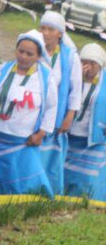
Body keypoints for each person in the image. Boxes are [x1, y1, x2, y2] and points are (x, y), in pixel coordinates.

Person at [0, 30, 57, 196]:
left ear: (39, 56)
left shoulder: (45, 78)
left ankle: (29, 211)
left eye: (29, 54)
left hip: (24, 141)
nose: (23, 56)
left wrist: (41, 133)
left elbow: (51, 107)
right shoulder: (3, 69)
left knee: (24, 183)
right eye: (21, 51)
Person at [37, 11, 82, 194]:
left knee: (51, 161)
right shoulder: (35, 50)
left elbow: (75, 89)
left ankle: (48, 196)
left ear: (60, 33)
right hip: (35, 115)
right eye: (43, 28)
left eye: (50, 29)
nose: (45, 33)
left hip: (57, 118)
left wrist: (69, 115)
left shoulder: (70, 57)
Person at [63, 43, 106, 200]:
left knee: (88, 178)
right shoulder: (72, 77)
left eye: (92, 63)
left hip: (93, 140)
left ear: (100, 65)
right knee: (66, 173)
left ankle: (87, 204)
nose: (87, 66)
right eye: (83, 61)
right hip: (70, 136)